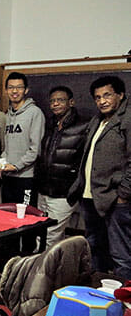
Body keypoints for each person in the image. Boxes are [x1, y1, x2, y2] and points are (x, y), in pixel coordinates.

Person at [68, 76, 131, 279]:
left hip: (115, 199)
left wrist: (123, 194)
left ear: (120, 95)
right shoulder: (97, 120)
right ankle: (101, 296)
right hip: (91, 196)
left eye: (107, 95)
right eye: (97, 97)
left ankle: (125, 304)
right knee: (95, 248)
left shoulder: (127, 120)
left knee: (121, 254)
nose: (102, 101)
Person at [36, 86, 88, 248]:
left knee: (51, 236)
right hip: (43, 189)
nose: (55, 104)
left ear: (71, 102)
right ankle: (53, 270)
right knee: (42, 233)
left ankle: (40, 271)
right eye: (52, 101)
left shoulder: (84, 126)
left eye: (60, 100)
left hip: (64, 193)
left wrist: (75, 187)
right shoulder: (50, 124)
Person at [0, 72, 45, 206]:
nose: (14, 91)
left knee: (25, 219)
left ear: (26, 90)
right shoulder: (7, 115)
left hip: (25, 178)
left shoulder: (35, 113)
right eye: (11, 87)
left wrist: (16, 166)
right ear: (6, 90)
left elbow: (35, 150)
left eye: (19, 87)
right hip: (8, 177)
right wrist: (3, 163)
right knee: (7, 217)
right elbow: (7, 146)